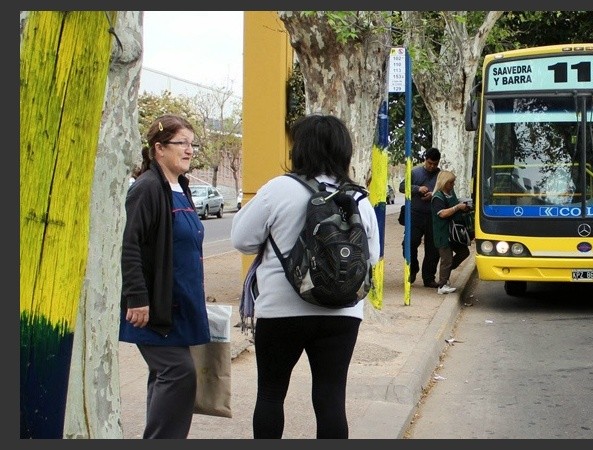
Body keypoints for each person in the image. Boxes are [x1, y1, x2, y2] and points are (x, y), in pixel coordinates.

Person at [230, 114, 380, 439]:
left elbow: (241, 240)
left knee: (271, 394)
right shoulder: (357, 197)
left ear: (301, 149)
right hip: (342, 312)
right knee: (330, 398)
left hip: (281, 311)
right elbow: (374, 256)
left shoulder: (278, 189)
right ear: (344, 151)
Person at [120, 114, 210, 439]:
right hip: (156, 309)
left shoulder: (181, 187)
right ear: (159, 149)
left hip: (182, 305)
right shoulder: (146, 189)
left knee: (163, 377)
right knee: (178, 372)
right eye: (181, 143)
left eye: (191, 144)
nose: (189, 150)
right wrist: (137, 297)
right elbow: (128, 245)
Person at [399, 148, 441, 287]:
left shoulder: (441, 176)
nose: (432, 166)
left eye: (435, 164)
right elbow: (402, 187)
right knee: (408, 244)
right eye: (430, 163)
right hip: (415, 216)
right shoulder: (415, 173)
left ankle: (429, 278)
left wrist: (433, 195)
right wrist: (417, 189)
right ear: (425, 160)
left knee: (433, 250)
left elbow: (447, 192)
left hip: (433, 217)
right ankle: (412, 268)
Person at [430, 170, 471, 295]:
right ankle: (442, 285)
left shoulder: (450, 193)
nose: (453, 185)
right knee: (446, 259)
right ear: (444, 182)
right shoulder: (437, 197)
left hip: (454, 232)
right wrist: (457, 207)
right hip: (443, 233)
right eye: (451, 182)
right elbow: (442, 213)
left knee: (464, 252)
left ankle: (446, 273)